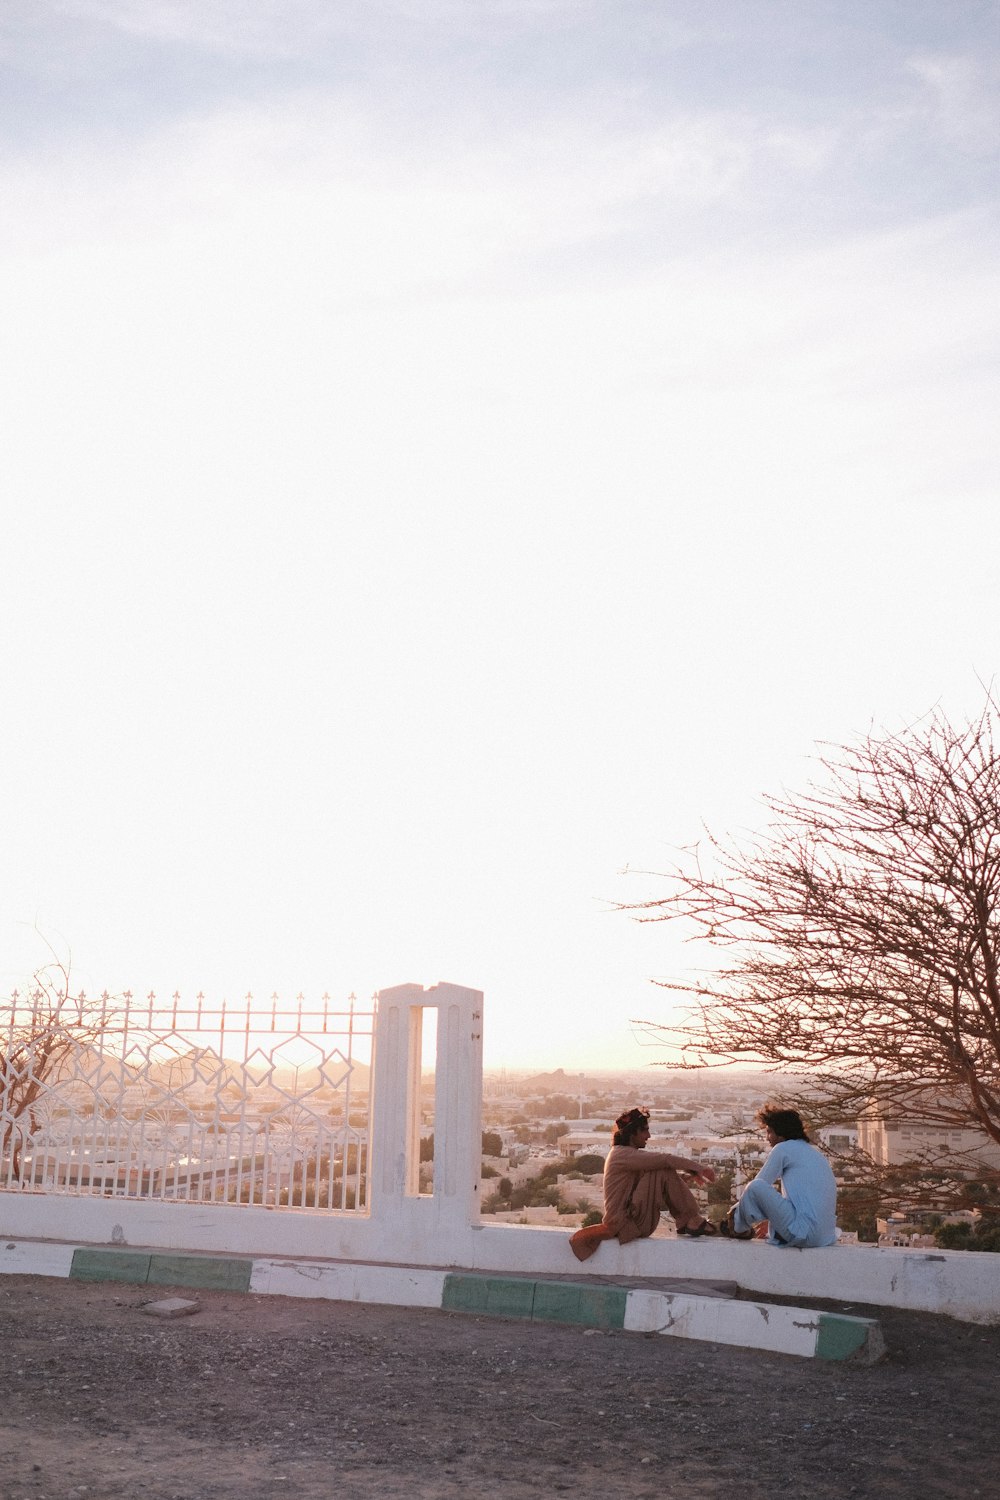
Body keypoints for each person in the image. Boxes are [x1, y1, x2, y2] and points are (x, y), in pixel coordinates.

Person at [569, 1106, 717, 1262]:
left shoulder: (624, 1154)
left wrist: (684, 1177)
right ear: (632, 1133)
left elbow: (650, 1178)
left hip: (632, 1223)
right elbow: (664, 1159)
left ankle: (689, 1221)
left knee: (662, 1169)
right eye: (645, 1130)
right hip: (627, 1225)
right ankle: (690, 1219)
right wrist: (700, 1168)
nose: (649, 1135)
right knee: (662, 1167)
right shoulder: (622, 1155)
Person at [720, 1105, 837, 1248]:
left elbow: (760, 1184)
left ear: (781, 1133)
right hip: (825, 1237)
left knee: (755, 1186)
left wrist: (735, 1210)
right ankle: (752, 1226)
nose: (767, 1138)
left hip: (805, 1234)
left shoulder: (783, 1148)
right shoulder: (815, 1154)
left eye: (769, 1132)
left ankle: (737, 1228)